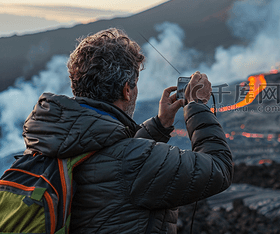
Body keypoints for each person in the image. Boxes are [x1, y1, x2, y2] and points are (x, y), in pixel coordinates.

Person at [22, 28, 233, 233]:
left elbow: (110, 158)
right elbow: (219, 168)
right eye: (135, 85)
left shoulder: (42, 146)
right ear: (126, 90)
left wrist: (159, 125)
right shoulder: (134, 162)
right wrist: (197, 106)